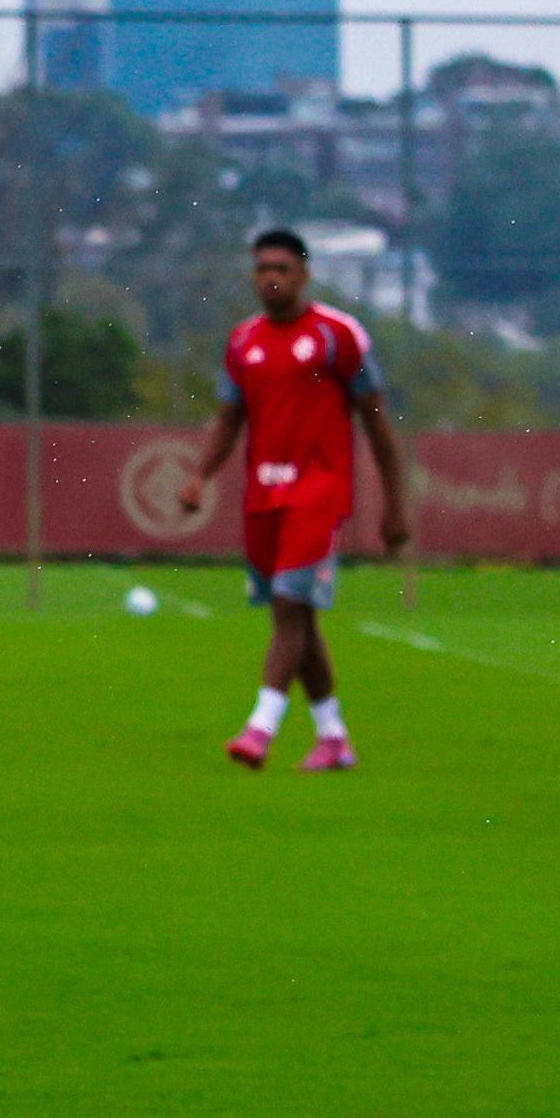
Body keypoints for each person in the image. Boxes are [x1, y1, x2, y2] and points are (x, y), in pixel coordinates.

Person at [178, 230, 408, 770]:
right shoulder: (243, 342)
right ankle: (333, 737)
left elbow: (377, 424)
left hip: (319, 492)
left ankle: (259, 729)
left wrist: (395, 505)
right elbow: (229, 418)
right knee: (297, 616)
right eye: (262, 269)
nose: (270, 278)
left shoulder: (337, 335)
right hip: (263, 495)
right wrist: (201, 476)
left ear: (304, 274)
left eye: (281, 268)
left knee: (288, 606)